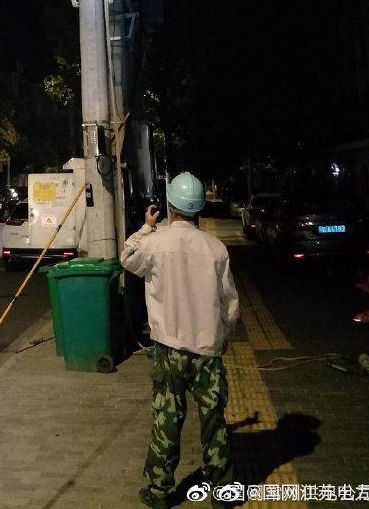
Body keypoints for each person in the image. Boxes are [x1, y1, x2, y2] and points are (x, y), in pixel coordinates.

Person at [120, 171, 240, 509]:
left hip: (168, 349)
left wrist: (147, 227)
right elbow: (230, 303)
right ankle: (223, 492)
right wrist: (224, 336)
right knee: (214, 422)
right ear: (199, 207)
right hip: (208, 351)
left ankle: (159, 491)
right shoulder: (216, 248)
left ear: (169, 205)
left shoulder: (155, 243)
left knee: (167, 420)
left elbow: (127, 258)